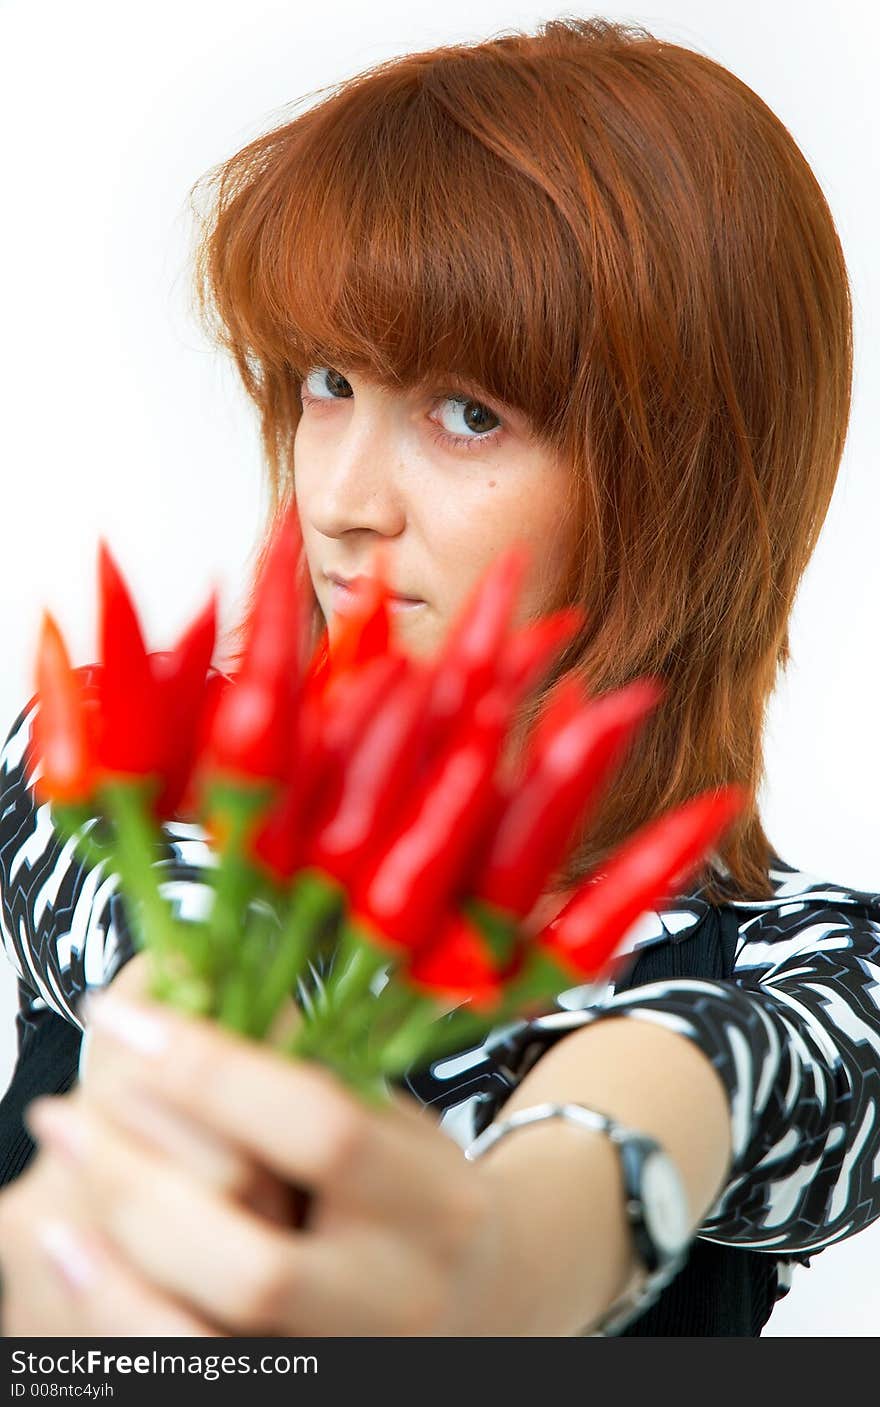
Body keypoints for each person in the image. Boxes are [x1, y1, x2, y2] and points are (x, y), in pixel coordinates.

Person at [1, 14, 879, 1336]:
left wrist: (531, 1243)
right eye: (326, 380)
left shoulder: (812, 962)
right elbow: (176, 915)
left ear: (681, 477)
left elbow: (714, 1071)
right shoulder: (135, 750)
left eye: (471, 413)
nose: (346, 498)